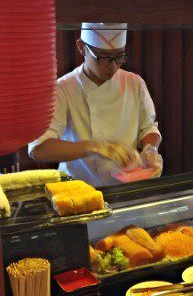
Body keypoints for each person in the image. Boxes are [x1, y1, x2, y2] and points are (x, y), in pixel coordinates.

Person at [29, 23, 163, 186]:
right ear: (82, 47)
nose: (113, 66)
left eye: (119, 57)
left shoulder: (134, 83)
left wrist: (150, 149)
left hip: (127, 187)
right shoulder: (63, 89)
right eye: (104, 58)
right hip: (79, 188)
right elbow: (39, 148)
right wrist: (95, 147)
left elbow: (147, 128)